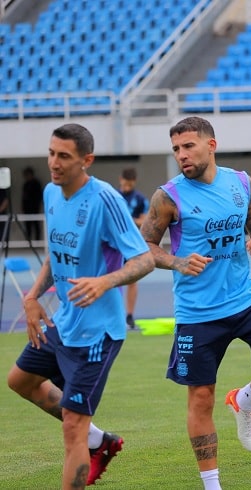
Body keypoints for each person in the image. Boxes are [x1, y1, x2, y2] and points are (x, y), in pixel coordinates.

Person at [139, 116, 251, 490]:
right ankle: (212, 485)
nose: (182, 155)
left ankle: (245, 400)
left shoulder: (242, 183)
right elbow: (144, 247)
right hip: (198, 314)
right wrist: (176, 260)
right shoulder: (168, 196)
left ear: (211, 145)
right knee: (201, 398)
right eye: (176, 150)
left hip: (246, 299)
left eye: (189, 146)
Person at [6, 123, 155, 488]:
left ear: (86, 160)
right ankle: (99, 441)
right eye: (51, 153)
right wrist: (31, 297)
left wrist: (104, 281)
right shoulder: (50, 193)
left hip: (97, 334)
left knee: (72, 424)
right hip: (64, 323)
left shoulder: (105, 199)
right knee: (20, 381)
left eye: (64, 156)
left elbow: (144, 260)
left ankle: (87, 437)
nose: (54, 163)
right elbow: (54, 257)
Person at [118, 167, 149, 329]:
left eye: (130, 184)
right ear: (120, 179)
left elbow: (143, 221)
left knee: (132, 280)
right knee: (112, 279)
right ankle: (115, 314)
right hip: (114, 245)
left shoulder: (141, 199)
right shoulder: (113, 196)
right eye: (125, 183)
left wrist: (127, 220)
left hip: (131, 245)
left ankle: (129, 315)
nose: (127, 186)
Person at [21, 166, 44, 241]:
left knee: (36, 225)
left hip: (34, 208)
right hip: (27, 209)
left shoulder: (36, 183)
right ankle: (28, 241)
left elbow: (39, 196)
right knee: (28, 226)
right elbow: (24, 197)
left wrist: (36, 205)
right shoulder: (26, 184)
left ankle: (37, 241)